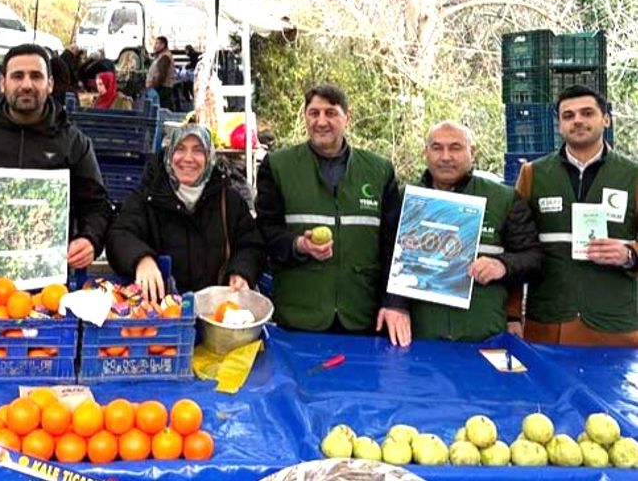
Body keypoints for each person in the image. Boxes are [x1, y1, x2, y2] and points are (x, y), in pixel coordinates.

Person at [0, 44, 114, 276]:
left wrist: (90, 239)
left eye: (36, 76)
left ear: (50, 84)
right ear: (2, 83)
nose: (27, 84)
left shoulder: (74, 142)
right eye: (18, 76)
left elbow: (97, 206)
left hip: (49, 269)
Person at [256, 84, 404, 340]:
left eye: (331, 113)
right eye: (314, 113)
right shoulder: (279, 166)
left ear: (347, 117)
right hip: (299, 316)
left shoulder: (378, 171)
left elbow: (395, 244)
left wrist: (394, 303)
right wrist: (298, 244)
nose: (321, 121)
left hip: (362, 316)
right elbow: (265, 231)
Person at [387, 121, 541, 343]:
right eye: (437, 148)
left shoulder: (504, 199)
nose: (445, 156)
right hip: (418, 336)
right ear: (425, 152)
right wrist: (395, 305)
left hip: (484, 333)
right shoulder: (403, 200)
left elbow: (533, 258)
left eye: (455, 147)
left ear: (472, 152)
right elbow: (384, 262)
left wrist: (502, 265)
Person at [516, 85, 638, 347]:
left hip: (615, 327)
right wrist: (513, 316)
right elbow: (515, 245)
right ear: (560, 125)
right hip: (548, 323)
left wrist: (630, 254)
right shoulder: (533, 174)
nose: (578, 120)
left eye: (587, 113)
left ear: (606, 119)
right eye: (568, 116)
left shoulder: (632, 176)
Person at [106, 125, 263, 303]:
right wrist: (142, 259)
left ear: (209, 157)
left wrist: (241, 271)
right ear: (169, 154)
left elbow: (250, 244)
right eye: (180, 149)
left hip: (216, 308)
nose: (188, 158)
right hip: (161, 311)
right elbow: (120, 234)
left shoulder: (229, 199)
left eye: (198, 150)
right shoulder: (148, 195)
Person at [146, 36, 174, 110]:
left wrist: (153, 85)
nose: (155, 46)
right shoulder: (161, 56)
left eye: (157, 43)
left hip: (162, 89)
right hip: (160, 88)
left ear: (163, 45)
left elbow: (162, 74)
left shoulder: (165, 57)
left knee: (160, 109)